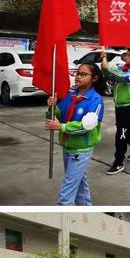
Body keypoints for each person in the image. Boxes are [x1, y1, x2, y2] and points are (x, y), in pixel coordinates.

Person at [45, 63, 105, 206]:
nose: (78, 76)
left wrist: (61, 126)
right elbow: (57, 115)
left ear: (94, 78)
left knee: (67, 192)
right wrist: (51, 106)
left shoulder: (96, 100)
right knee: (80, 189)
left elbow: (87, 126)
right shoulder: (70, 96)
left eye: (83, 74)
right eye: (77, 73)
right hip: (67, 146)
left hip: (81, 150)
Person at [102, 47, 130, 175]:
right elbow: (108, 75)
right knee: (126, 128)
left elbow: (123, 77)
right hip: (120, 105)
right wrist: (104, 64)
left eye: (129, 55)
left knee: (121, 132)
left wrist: (108, 67)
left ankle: (118, 162)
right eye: (126, 55)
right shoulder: (122, 68)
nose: (126, 57)